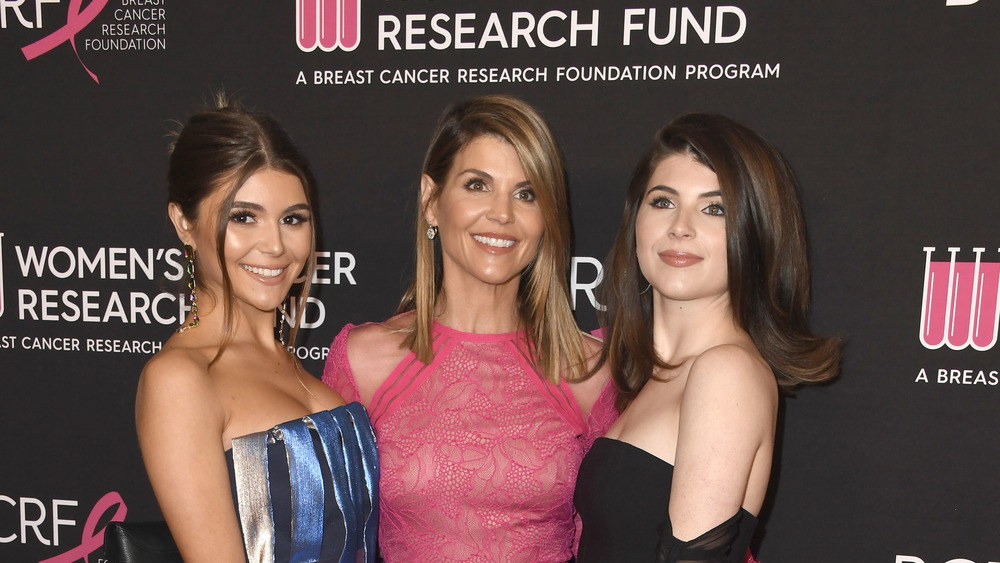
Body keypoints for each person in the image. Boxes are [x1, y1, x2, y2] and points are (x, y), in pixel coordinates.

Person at [322, 95, 617, 562]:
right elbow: (332, 539)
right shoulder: (363, 361)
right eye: (478, 185)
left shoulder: (589, 370)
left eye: (526, 193)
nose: (502, 213)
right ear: (431, 200)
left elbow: (624, 535)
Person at [574, 113, 841, 562]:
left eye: (715, 209)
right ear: (635, 219)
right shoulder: (647, 376)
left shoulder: (725, 372)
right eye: (662, 202)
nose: (681, 225)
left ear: (754, 236)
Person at [135, 98, 378, 563]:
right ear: (183, 223)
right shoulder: (181, 379)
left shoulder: (288, 360)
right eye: (243, 217)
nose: (274, 245)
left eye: (293, 219)